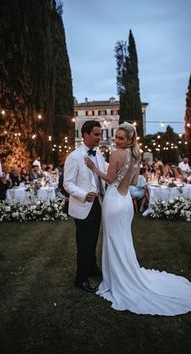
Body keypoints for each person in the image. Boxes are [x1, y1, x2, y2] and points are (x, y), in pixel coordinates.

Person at [85, 122, 191, 316]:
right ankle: (125, 275)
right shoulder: (135, 155)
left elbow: (108, 179)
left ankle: (117, 281)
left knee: (113, 241)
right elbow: (133, 182)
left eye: (120, 138)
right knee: (122, 240)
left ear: (129, 139)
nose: (116, 140)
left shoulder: (116, 153)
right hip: (125, 203)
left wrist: (93, 168)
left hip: (114, 201)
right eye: (115, 137)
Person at [64, 120, 108, 292]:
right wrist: (83, 195)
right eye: (96, 134)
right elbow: (67, 184)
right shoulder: (74, 157)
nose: (100, 137)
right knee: (84, 243)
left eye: (100, 134)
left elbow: (106, 170)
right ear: (85, 135)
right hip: (83, 205)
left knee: (93, 239)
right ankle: (80, 278)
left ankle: (91, 267)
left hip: (98, 204)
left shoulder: (98, 155)